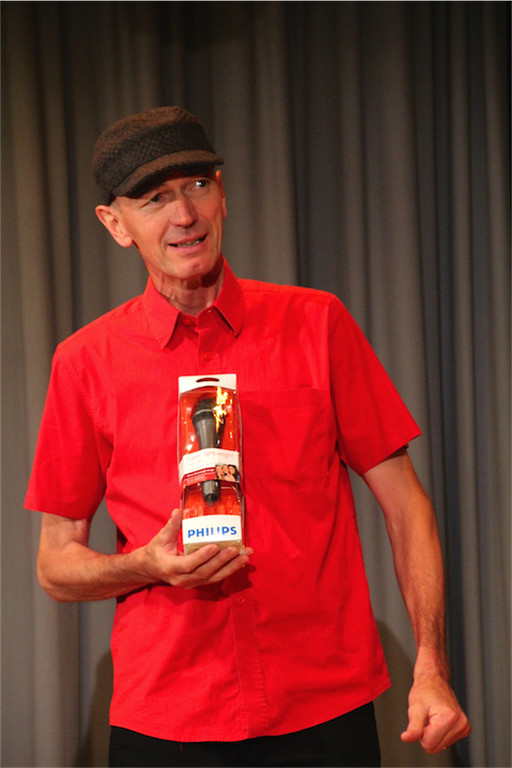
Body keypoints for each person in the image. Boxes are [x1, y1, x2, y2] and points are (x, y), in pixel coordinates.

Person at [25, 106, 471, 767]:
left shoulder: (317, 323)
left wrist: (431, 665)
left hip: (323, 707)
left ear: (223, 195)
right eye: (155, 199)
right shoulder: (84, 362)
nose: (185, 215)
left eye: (198, 185)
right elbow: (55, 565)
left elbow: (407, 506)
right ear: (116, 225)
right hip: (167, 718)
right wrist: (146, 564)